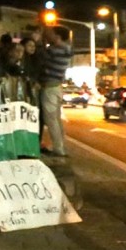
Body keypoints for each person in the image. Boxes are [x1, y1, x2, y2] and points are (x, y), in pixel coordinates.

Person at [40, 25, 72, 157]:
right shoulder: (68, 49)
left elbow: (42, 63)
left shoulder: (53, 50)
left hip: (49, 86)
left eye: (51, 34)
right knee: (57, 120)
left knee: (51, 119)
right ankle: (61, 147)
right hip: (57, 86)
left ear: (58, 37)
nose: (48, 35)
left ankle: (58, 149)